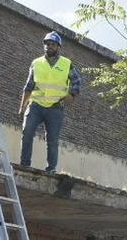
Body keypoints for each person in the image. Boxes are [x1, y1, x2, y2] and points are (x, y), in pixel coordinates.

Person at [17, 31, 80, 172]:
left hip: (55, 108)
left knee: (52, 140)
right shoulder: (36, 63)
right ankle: (24, 165)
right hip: (35, 105)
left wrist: (71, 95)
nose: (49, 46)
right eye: (47, 44)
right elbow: (28, 86)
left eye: (53, 44)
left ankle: (51, 169)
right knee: (27, 132)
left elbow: (77, 82)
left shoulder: (66, 64)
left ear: (59, 47)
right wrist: (22, 107)